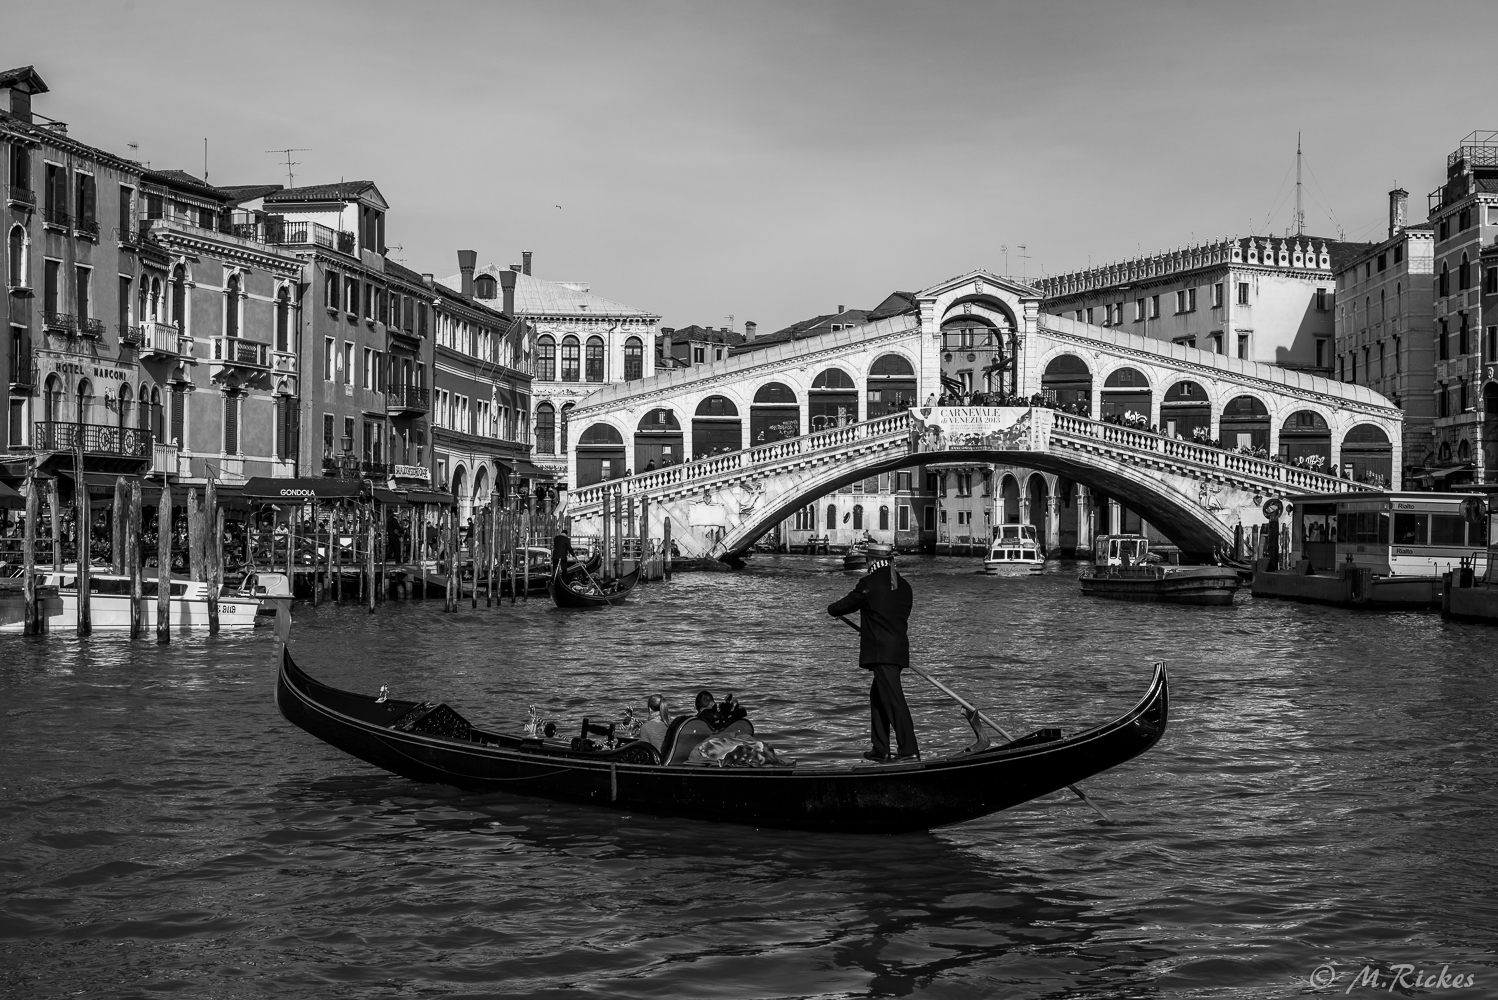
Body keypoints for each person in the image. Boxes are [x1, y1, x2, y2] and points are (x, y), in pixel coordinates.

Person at [827, 543, 918, 763]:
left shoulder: (869, 584)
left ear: (873, 561)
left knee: (894, 700)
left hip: (882, 652)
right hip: (897, 649)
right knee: (878, 698)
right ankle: (880, 749)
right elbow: (890, 616)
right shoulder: (904, 586)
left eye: (868, 560)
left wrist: (830, 609)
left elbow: (842, 606)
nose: (867, 564)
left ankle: (909, 751)